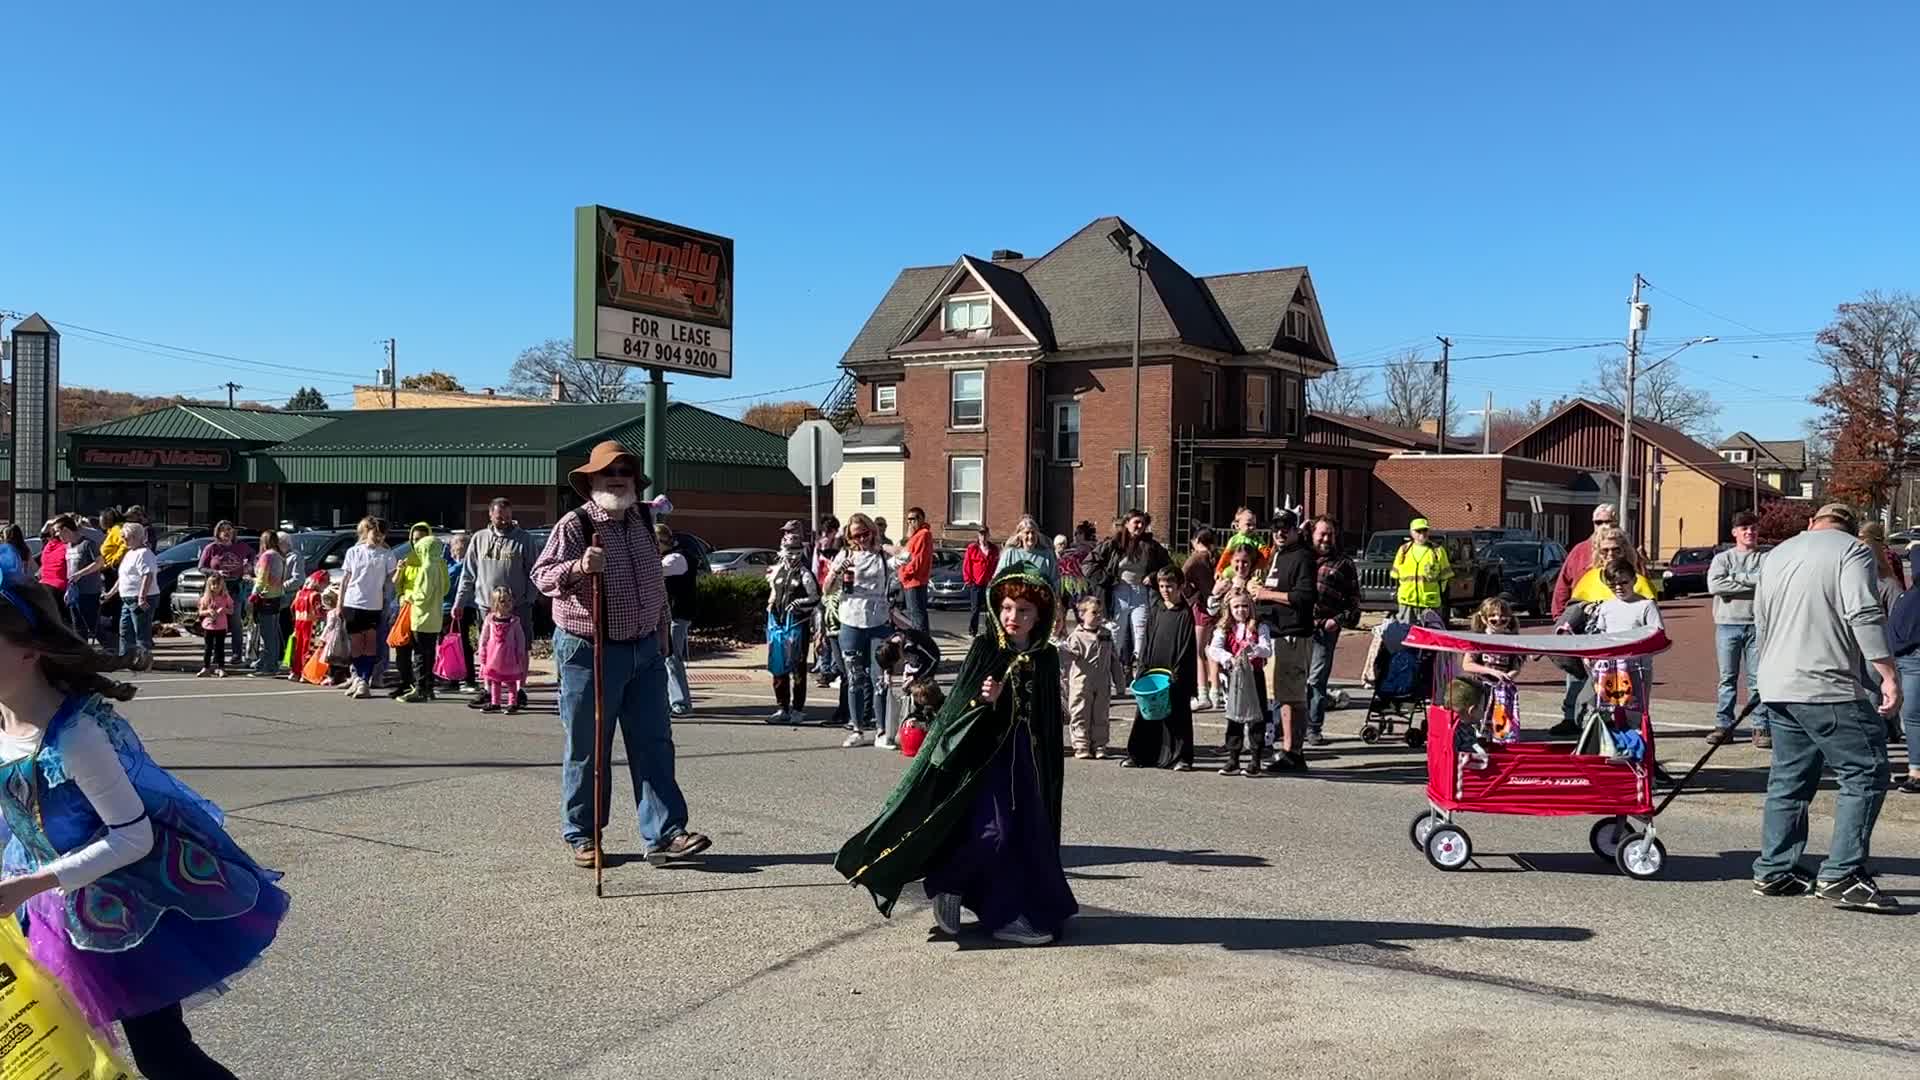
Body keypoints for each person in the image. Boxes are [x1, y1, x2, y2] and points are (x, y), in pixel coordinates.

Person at [0, 547, 287, 1078]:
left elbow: (133, 837)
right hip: (36, 906)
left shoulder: (76, 736)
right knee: (43, 1050)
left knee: (164, 1055)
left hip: (118, 910)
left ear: (29, 652)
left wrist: (32, 884)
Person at [834, 565, 1076, 946]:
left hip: (1025, 763)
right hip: (982, 761)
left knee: (1025, 838)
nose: (1014, 617)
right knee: (993, 834)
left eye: (1025, 611)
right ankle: (961, 892)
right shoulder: (985, 649)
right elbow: (958, 710)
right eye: (1009, 607)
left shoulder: (1044, 657)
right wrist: (988, 700)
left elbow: (1044, 719)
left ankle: (1000, 911)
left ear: (1040, 616)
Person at [533, 440, 711, 868]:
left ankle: (666, 833)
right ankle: (583, 834)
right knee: (588, 747)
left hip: (645, 648)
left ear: (634, 481)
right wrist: (579, 568)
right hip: (588, 649)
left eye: (625, 472)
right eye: (608, 473)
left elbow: (655, 582)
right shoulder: (575, 525)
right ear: (591, 481)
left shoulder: (644, 520)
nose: (617, 478)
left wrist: (662, 630)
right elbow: (542, 576)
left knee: (654, 743)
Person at [1750, 503, 1900, 911]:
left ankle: (1775, 869)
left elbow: (1760, 619)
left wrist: (1766, 671)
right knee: (1867, 770)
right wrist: (1887, 673)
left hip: (1779, 682)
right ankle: (1843, 872)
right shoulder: (1852, 551)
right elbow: (1864, 613)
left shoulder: (1777, 554)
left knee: (1790, 779)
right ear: (1849, 527)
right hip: (1825, 683)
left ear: (1813, 522)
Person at [456, 500, 536, 709]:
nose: (504, 521)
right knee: (488, 648)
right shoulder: (479, 539)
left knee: (520, 648)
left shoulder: (524, 539)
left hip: (517, 606)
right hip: (487, 606)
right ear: (490, 515)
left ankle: (519, 690)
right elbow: (468, 574)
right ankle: (489, 689)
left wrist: (529, 599)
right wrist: (460, 602)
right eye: (500, 517)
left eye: (508, 517)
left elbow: (534, 572)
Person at [1549, 504, 1621, 735]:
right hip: (1582, 618)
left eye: (1609, 522)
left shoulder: (1623, 550)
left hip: (1613, 621)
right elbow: (1564, 583)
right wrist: (1560, 617)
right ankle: (1571, 717)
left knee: (1611, 672)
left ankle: (1606, 719)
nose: (1603, 527)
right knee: (1575, 672)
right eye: (1599, 523)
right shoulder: (1580, 550)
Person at [1257, 509, 1317, 771]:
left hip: (1294, 634)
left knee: (1294, 696)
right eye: (1276, 528)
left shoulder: (1303, 556)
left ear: (1296, 531)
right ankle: (1287, 748)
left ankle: (1295, 752)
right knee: (1282, 695)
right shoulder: (1277, 555)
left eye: (1286, 528)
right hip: (1275, 632)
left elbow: (1304, 597)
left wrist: (1267, 594)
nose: (1280, 533)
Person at [831, 513, 895, 748]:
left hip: (878, 623)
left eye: (865, 533)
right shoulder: (846, 555)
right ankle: (857, 728)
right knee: (855, 677)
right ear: (849, 537)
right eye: (856, 536)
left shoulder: (882, 555)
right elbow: (826, 589)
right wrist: (838, 572)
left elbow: (907, 557)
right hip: (851, 621)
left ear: (872, 531)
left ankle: (881, 730)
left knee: (880, 678)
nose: (861, 539)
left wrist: (883, 545)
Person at [1707, 511, 1770, 747]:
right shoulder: (1722, 559)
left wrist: (1735, 580)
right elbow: (1715, 585)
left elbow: (1768, 581)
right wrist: (1752, 582)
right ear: (1735, 532)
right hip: (1727, 625)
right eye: (1744, 528)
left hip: (1757, 625)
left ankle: (1760, 726)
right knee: (1727, 678)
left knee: (1757, 679)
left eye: (1753, 528)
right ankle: (1724, 726)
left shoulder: (1766, 557)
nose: (1749, 532)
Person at [1126, 567, 1198, 771]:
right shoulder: (1157, 608)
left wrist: (1177, 673)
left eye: (1170, 586)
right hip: (1152, 670)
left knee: (1178, 715)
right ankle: (1140, 755)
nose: (1165, 590)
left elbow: (1186, 646)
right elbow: (1147, 639)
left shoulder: (1185, 613)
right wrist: (1141, 668)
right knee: (1145, 713)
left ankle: (1180, 757)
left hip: (1174, 673)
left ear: (1180, 586)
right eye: (1162, 586)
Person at [1091, 510, 1172, 683]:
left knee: (1141, 634)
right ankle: (1108, 676)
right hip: (1118, 592)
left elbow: (1168, 566)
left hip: (1140, 592)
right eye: (1136, 522)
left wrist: (1153, 576)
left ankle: (1139, 675)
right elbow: (1089, 563)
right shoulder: (1113, 544)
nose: (1140, 526)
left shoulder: (1151, 546)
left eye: (1142, 523)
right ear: (1127, 523)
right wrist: (1107, 579)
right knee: (1115, 634)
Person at [1305, 515, 1359, 747]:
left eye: (1331, 534)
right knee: (1295, 677)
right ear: (1313, 534)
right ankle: (1287, 725)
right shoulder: (1302, 557)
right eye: (1322, 534)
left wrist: (1337, 620)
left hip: (1324, 629)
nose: (1326, 538)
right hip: (1297, 627)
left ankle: (1313, 727)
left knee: (1316, 678)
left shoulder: (1344, 564)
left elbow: (1354, 602)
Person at [1208, 587, 1272, 776]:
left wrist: (1253, 649)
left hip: (1254, 675)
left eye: (1245, 606)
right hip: (1235, 676)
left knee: (1256, 717)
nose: (1240, 610)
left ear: (1250, 607)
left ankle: (1255, 759)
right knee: (1234, 716)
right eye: (1236, 607)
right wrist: (1229, 657)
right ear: (1229, 608)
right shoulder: (1224, 629)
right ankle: (1233, 757)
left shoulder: (1260, 627)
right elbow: (1214, 649)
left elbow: (1267, 649)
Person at [337, 518, 395, 700]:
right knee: (355, 645)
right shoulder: (354, 552)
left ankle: (364, 679)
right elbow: (345, 579)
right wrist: (340, 603)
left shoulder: (386, 555)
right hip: (353, 602)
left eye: (382, 534)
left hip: (374, 604)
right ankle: (357, 678)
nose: (378, 537)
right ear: (367, 532)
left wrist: (400, 571)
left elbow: (393, 578)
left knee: (370, 643)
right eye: (375, 533)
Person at [391, 524, 448, 703]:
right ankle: (427, 688)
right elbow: (445, 588)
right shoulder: (440, 564)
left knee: (420, 655)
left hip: (420, 616)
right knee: (428, 654)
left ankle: (420, 689)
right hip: (435, 616)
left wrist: (409, 596)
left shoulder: (426, 567)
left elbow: (421, 596)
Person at [1060, 594, 1122, 759]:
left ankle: (1100, 745)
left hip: (1102, 683)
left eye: (1100, 612)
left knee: (1100, 715)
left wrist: (1120, 684)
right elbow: (1066, 662)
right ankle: (1081, 745)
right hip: (1081, 684)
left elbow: (1114, 660)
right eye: (1094, 613)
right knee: (1080, 714)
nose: (1099, 616)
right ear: (1082, 615)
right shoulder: (1076, 637)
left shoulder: (1106, 635)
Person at [767, 537, 821, 724]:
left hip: (798, 626)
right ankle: (782, 707)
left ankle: (797, 709)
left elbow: (815, 598)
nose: (792, 556)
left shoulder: (805, 574)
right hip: (778, 626)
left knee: (798, 668)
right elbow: (774, 592)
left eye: (796, 551)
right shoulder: (777, 571)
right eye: (788, 551)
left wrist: (800, 603)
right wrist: (771, 605)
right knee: (778, 667)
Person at [1460, 597, 1525, 743]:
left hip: (1502, 689)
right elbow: (1467, 664)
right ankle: (1478, 743)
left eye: (1503, 618)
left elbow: (1516, 666)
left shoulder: (1512, 641)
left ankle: (1498, 746)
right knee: (1479, 721)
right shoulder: (1479, 640)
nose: (1498, 620)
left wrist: (1509, 676)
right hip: (1481, 687)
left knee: (1501, 724)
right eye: (1493, 618)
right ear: (1484, 619)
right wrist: (1492, 672)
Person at [873, 626, 940, 752]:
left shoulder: (911, 643)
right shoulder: (890, 643)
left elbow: (933, 659)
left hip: (927, 660)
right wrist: (888, 673)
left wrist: (916, 676)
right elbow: (888, 658)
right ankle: (912, 724)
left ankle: (928, 726)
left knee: (924, 694)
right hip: (912, 662)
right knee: (909, 696)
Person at [198, 521, 255, 670]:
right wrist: (216, 573)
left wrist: (249, 565)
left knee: (235, 620)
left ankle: (236, 654)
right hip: (216, 588)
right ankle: (216, 654)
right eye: (223, 530)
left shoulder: (241, 546)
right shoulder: (212, 548)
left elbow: (252, 554)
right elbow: (201, 567)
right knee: (215, 620)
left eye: (229, 529)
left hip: (234, 587)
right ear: (217, 533)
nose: (226, 532)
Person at [1888, 548, 1920, 795]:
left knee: (1912, 716)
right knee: (1911, 716)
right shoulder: (1909, 596)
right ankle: (1915, 769)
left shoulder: (1910, 597)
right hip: (1908, 658)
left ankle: (1916, 771)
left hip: (1912, 659)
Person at [657, 523, 695, 717]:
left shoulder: (676, 558)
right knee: (665, 659)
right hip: (668, 615)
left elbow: (656, 571)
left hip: (677, 615)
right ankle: (671, 701)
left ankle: (682, 703)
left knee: (672, 659)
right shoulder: (670, 556)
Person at [477, 585, 530, 715]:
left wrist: (520, 653)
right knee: (495, 680)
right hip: (493, 656)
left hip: (509, 656)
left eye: (509, 600)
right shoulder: (490, 619)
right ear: (495, 603)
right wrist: (482, 651)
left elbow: (520, 639)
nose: (506, 604)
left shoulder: (514, 621)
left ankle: (512, 703)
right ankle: (496, 703)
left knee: (511, 681)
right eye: (502, 601)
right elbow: (484, 637)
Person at [1389, 517, 1453, 624]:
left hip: (1430, 603)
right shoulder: (1404, 550)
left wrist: (1440, 595)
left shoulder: (1437, 551)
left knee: (1431, 635)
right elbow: (1395, 576)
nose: (1422, 534)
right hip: (1407, 602)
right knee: (1406, 634)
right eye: (1418, 531)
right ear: (1411, 532)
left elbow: (1445, 577)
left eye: (1425, 530)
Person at [115, 523, 159, 670]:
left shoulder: (144, 553)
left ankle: (144, 662)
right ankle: (126, 660)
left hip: (140, 599)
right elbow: (123, 577)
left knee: (141, 631)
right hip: (127, 599)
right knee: (125, 630)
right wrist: (109, 594)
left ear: (135, 537)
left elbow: (148, 575)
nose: (123, 539)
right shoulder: (129, 553)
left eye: (125, 536)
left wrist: (142, 597)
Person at [1185, 528, 1220, 711]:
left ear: (1196, 540)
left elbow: (1180, 577)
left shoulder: (1196, 558)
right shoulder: (1217, 556)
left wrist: (1191, 593)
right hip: (1219, 608)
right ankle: (1216, 693)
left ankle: (1203, 693)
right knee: (1213, 650)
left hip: (1202, 607)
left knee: (1198, 652)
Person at [58, 516, 105, 644]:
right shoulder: (68, 546)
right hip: (74, 592)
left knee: (93, 624)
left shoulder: (88, 543)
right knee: (77, 625)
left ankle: (112, 651)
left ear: (67, 530)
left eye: (59, 532)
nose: (58, 536)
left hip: (89, 591)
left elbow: (100, 563)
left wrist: (81, 573)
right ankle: (82, 653)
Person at [249, 529, 288, 677]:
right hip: (278, 596)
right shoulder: (280, 556)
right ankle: (270, 662)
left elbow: (262, 578)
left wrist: (254, 593)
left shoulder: (267, 556)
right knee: (274, 633)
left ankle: (268, 667)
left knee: (267, 635)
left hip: (266, 598)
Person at [892, 507, 934, 634]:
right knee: (917, 614)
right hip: (912, 581)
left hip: (915, 581)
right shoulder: (915, 536)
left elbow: (917, 560)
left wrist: (904, 574)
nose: (910, 522)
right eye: (908, 520)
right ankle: (923, 642)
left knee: (917, 616)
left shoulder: (923, 534)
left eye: (913, 519)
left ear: (921, 519)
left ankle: (921, 644)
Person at [995, 515, 1060, 593]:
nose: (1030, 536)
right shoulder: (1010, 554)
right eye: (1027, 533)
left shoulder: (1047, 555)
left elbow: (1055, 580)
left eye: (1033, 533)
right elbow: (998, 578)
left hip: (1039, 601)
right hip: (1015, 598)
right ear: (1020, 535)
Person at [1212, 507, 1272, 579]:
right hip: (1236, 568)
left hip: (1252, 568)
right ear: (1237, 525)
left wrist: (1259, 566)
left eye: (1254, 525)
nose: (1252, 527)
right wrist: (1219, 570)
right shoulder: (1234, 540)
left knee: (1257, 578)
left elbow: (1266, 554)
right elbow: (1225, 556)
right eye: (1248, 524)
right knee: (1226, 574)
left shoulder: (1257, 539)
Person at [289, 570, 326, 683]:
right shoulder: (315, 595)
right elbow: (318, 611)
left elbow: (292, 607)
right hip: (310, 624)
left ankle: (295, 672)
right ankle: (305, 673)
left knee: (297, 648)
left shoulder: (299, 593)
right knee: (308, 648)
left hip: (298, 622)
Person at [962, 524, 997, 637]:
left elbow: (996, 565)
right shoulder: (972, 548)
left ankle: (990, 630)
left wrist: (995, 579)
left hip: (989, 584)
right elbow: (967, 565)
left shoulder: (993, 549)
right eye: (981, 534)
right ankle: (973, 631)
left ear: (988, 535)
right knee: (975, 609)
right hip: (976, 584)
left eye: (985, 534)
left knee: (990, 609)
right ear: (978, 535)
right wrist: (968, 580)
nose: (983, 537)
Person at [197, 574, 235, 678]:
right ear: (209, 586)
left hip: (221, 626)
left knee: (220, 648)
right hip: (208, 626)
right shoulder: (205, 598)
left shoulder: (226, 597)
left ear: (222, 585)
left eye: (218, 585)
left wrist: (224, 610)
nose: (215, 587)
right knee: (208, 648)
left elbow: (231, 610)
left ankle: (221, 667)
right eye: (213, 584)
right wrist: (208, 611)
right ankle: (206, 667)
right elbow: (200, 612)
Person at [36, 521, 68, 621]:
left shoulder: (48, 546)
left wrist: (49, 523)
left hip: (42, 587)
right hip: (59, 589)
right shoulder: (68, 547)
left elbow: (42, 535)